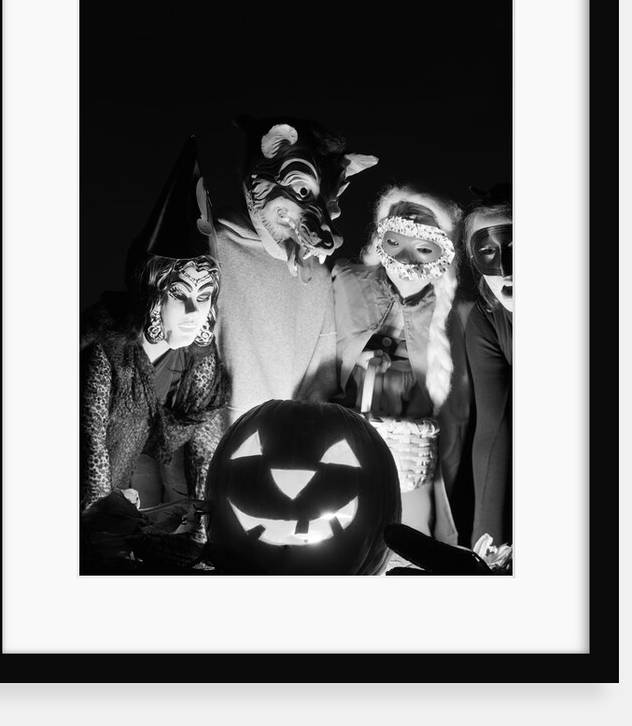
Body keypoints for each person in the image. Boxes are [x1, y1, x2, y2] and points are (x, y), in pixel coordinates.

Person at [80, 136, 230, 525]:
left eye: (205, 295)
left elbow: (202, 441)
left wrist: (202, 525)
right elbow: (90, 442)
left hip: (145, 473)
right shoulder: (105, 349)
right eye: (181, 295)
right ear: (153, 294)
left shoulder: (199, 358)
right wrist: (100, 519)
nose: (195, 312)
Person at [332, 183, 474, 552]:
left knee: (407, 522)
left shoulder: (453, 312)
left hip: (414, 429)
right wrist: (357, 357)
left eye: (424, 248)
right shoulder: (346, 282)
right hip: (351, 408)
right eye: (396, 242)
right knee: (340, 509)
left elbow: (455, 388)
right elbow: (325, 341)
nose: (408, 262)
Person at [214, 116, 379, 427]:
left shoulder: (315, 275)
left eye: (328, 200)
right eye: (303, 192)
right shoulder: (210, 254)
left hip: (294, 444)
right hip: (221, 449)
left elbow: (321, 377)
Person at [462, 183, 513, 549]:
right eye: (488, 252)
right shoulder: (486, 319)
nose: (506, 268)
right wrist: (488, 543)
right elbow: (494, 428)